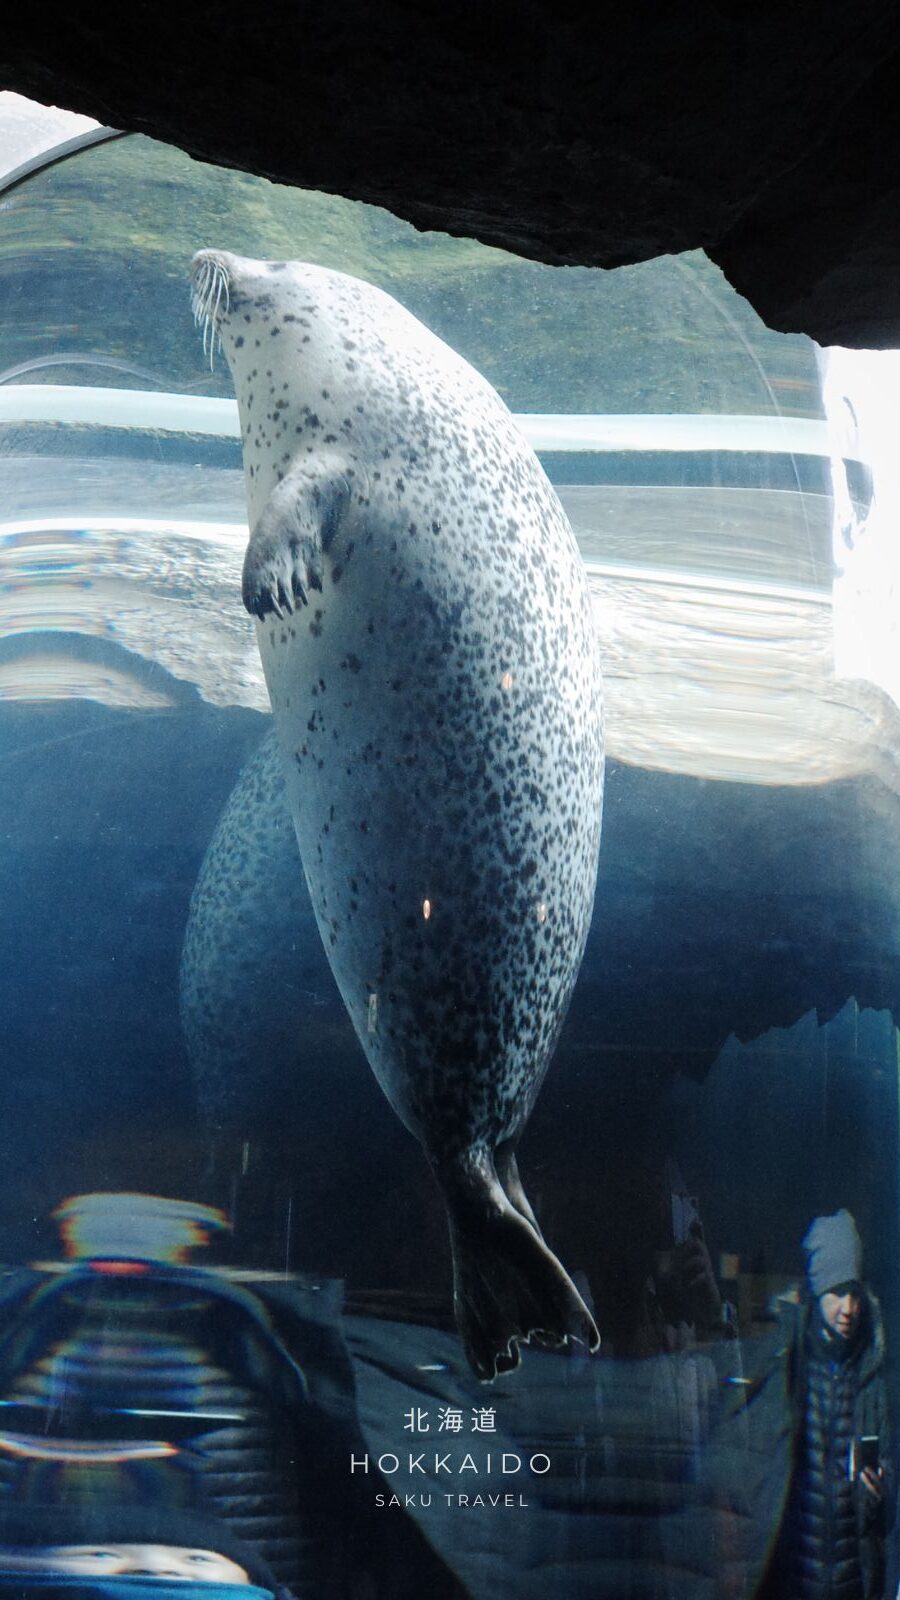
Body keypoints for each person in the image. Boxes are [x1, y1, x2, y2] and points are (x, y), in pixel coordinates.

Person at [739, 1210, 891, 1600]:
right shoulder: (786, 1364)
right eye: (837, 1291)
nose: (848, 1308)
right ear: (818, 1288)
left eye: (854, 1292)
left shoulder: (876, 1377)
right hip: (793, 1583)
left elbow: (890, 1494)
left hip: (853, 1585)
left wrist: (879, 1492)